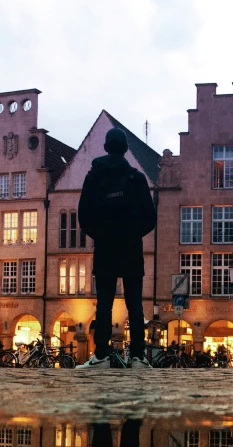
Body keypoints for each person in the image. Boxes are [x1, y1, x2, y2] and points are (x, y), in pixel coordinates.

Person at [77, 128, 156, 369]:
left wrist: (100, 235)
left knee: (104, 302)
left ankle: (101, 355)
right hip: (131, 246)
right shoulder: (136, 178)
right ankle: (138, 357)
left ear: (105, 147)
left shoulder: (93, 177)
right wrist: (132, 233)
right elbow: (150, 217)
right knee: (134, 303)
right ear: (125, 149)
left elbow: (83, 216)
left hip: (105, 247)